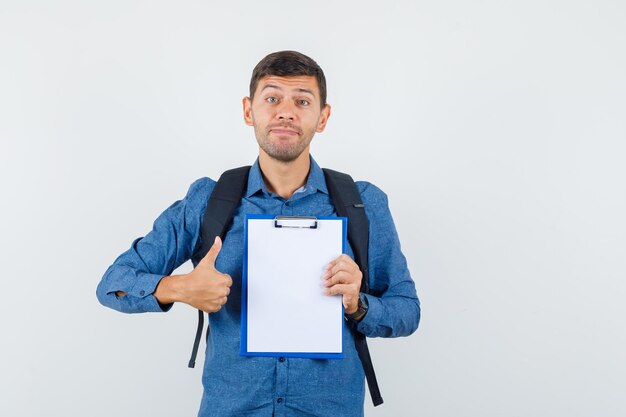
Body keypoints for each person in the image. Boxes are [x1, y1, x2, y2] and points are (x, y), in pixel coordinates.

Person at [97, 50, 420, 417]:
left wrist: (357, 303)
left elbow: (407, 310)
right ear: (249, 111)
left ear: (323, 117)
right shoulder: (207, 200)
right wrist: (181, 288)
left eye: (302, 100)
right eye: (272, 98)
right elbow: (113, 283)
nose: (286, 111)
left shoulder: (363, 203)